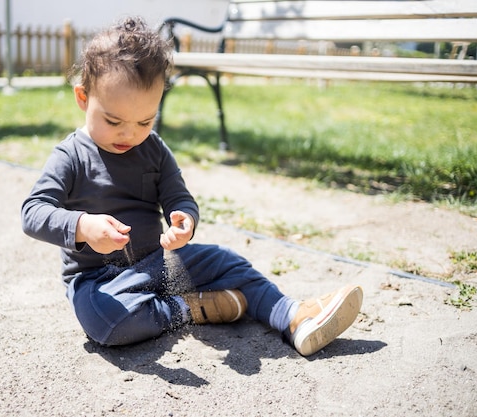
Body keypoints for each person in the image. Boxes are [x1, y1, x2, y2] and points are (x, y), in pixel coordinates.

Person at [21, 16, 363, 357]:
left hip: (159, 264)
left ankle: (292, 317)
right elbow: (33, 212)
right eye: (113, 121)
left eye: (144, 120)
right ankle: (188, 309)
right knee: (105, 322)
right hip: (101, 282)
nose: (129, 134)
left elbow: (177, 196)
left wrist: (183, 219)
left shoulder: (153, 149)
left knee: (225, 261)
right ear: (83, 97)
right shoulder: (71, 156)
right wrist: (81, 226)